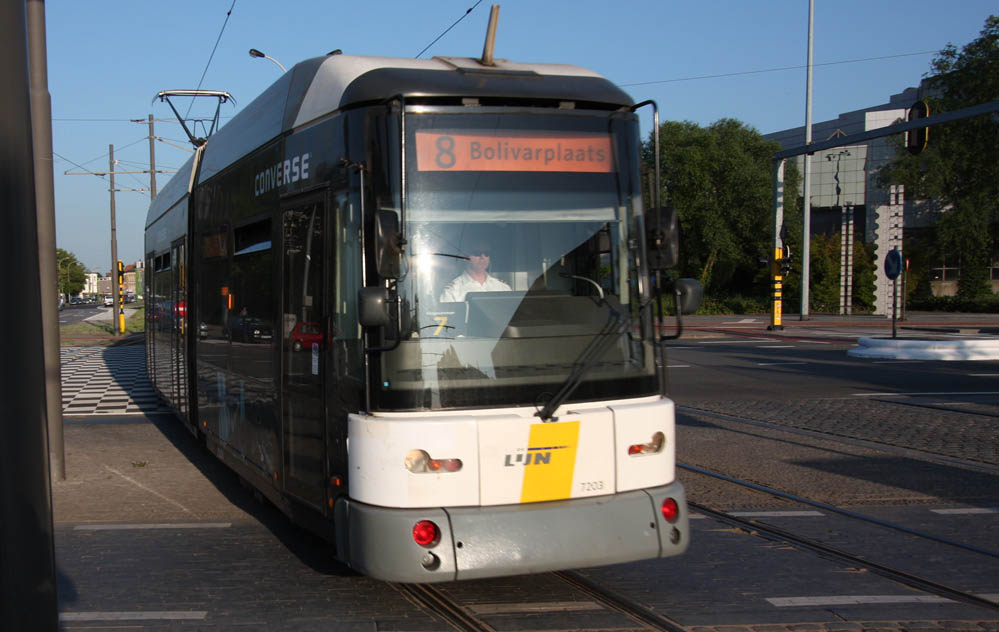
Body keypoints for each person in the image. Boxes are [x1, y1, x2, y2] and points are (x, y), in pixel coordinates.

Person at [439, 242, 511, 302]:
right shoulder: (452, 291)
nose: (483, 257)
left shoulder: (503, 288)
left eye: (486, 253)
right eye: (477, 253)